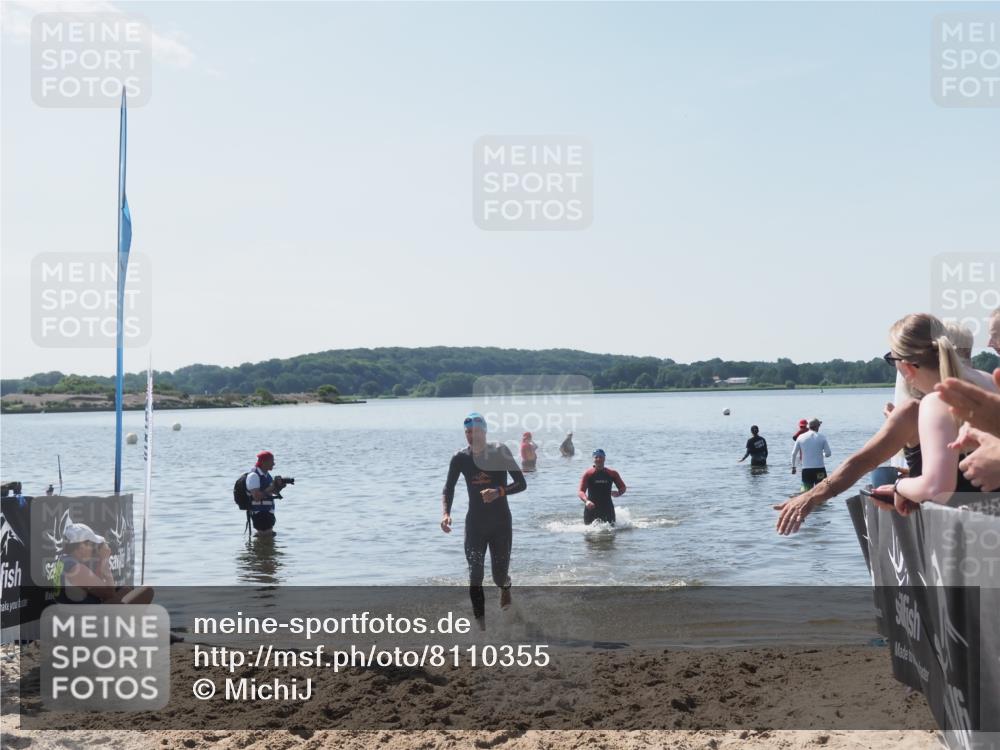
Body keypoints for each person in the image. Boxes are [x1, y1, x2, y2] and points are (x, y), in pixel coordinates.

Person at [873, 313, 999, 513]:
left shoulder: (935, 401)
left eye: (891, 360)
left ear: (906, 367)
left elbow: (936, 488)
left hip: (971, 529)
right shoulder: (991, 382)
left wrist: (900, 487)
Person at [441, 413, 526, 626]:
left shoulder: (500, 451)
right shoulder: (460, 458)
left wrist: (499, 491)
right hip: (475, 525)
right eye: (468, 432)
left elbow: (521, 483)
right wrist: (446, 513)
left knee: (499, 577)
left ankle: (505, 587)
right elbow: (448, 488)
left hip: (500, 524)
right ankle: (481, 627)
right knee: (475, 576)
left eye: (476, 431)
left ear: (484, 432)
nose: (472, 436)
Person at [50, 523, 153, 605]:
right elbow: (109, 595)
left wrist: (101, 562)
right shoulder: (77, 569)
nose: (94, 548)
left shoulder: (64, 560)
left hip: (71, 614)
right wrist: (105, 561)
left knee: (126, 590)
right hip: (82, 622)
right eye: (92, 544)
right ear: (81, 546)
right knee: (147, 590)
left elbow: (97, 588)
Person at [577, 449, 627, 525]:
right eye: (596, 457)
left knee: (611, 533)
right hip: (591, 509)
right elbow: (581, 491)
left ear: (604, 458)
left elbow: (623, 487)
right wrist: (586, 501)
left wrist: (619, 493)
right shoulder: (588, 474)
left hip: (607, 509)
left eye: (601, 457)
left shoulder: (612, 473)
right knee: (588, 534)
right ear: (593, 459)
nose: (598, 459)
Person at [246, 450, 289, 536]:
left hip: (268, 512)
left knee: (268, 538)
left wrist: (279, 487)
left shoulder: (267, 475)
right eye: (272, 461)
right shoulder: (253, 476)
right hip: (260, 514)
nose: (274, 464)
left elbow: (271, 492)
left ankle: (258, 548)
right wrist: (271, 487)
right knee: (264, 535)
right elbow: (256, 497)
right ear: (263, 462)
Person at [791, 418, 831, 490]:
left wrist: (793, 467)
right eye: (819, 425)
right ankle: (821, 502)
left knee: (806, 492)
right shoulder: (822, 437)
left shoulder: (800, 437)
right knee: (822, 491)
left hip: (806, 470)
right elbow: (828, 454)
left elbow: (793, 454)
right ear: (817, 426)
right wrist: (823, 454)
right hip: (820, 470)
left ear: (808, 426)